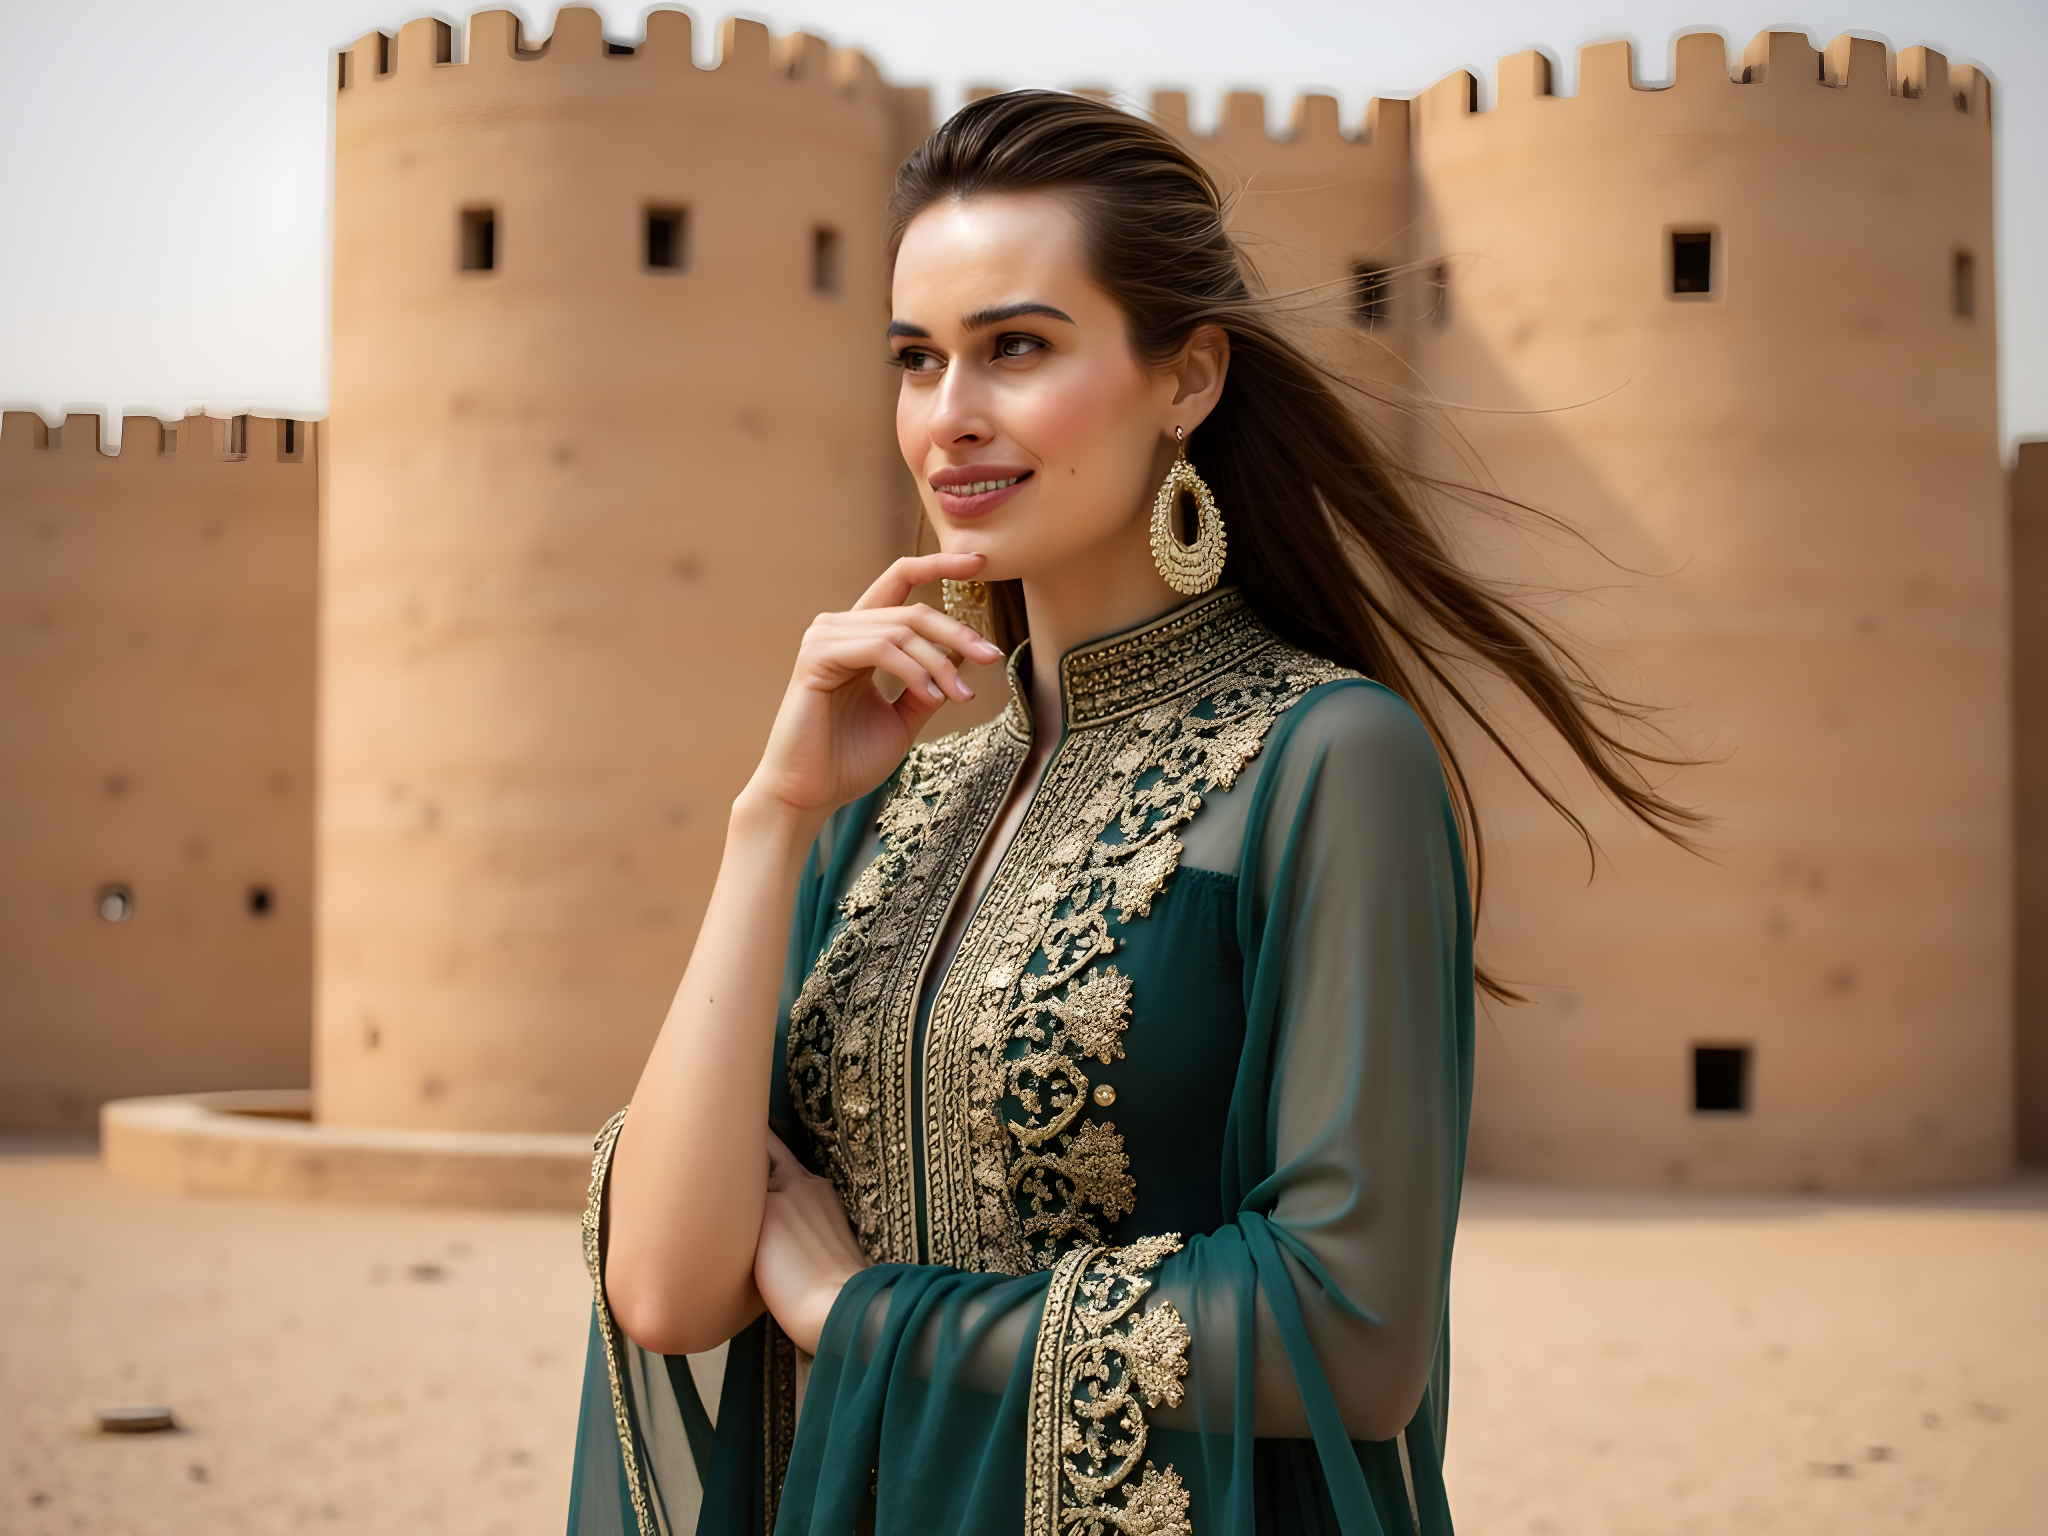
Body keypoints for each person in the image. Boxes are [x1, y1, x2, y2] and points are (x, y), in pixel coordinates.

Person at [566, 91, 1693, 1536]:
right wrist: (770, 818)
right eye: (917, 360)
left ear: (1188, 379)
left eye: (1016, 348)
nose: (949, 417)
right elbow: (668, 1288)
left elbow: (1355, 1329)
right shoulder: (888, 807)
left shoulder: (1326, 761)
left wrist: (861, 1315)